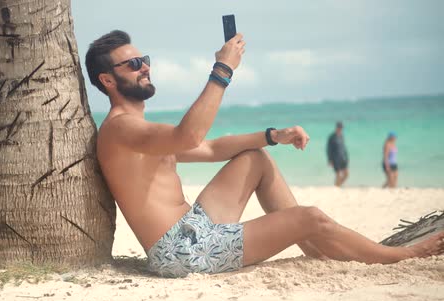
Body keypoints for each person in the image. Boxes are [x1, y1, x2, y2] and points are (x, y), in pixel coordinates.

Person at [84, 30, 444, 278]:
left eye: (143, 59)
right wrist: (223, 69)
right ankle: (401, 256)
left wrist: (273, 135)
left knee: (254, 157)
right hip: (181, 252)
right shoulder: (120, 128)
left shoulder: (137, 129)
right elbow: (192, 133)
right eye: (132, 64)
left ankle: (313, 246)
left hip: (193, 229)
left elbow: (207, 148)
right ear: (107, 81)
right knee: (312, 217)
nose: (144, 66)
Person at [326, 121, 349, 187]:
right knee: (338, 175)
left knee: (346, 174)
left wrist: (347, 158)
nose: (340, 129)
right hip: (335, 159)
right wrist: (330, 160)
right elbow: (328, 149)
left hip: (343, 158)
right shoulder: (332, 137)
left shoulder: (341, 136)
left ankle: (338, 185)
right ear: (336, 128)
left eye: (341, 128)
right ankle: (337, 187)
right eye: (339, 127)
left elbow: (344, 148)